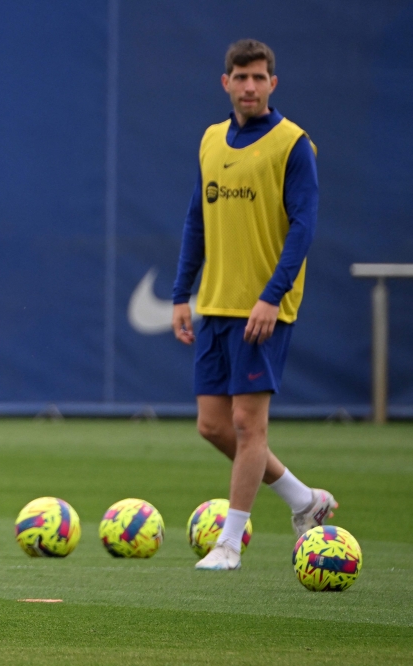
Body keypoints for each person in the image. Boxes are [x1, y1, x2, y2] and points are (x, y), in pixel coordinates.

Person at [171, 40, 336, 571]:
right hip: (216, 303)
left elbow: (304, 228)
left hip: (264, 309)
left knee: (247, 424)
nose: (249, 86)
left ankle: (229, 544)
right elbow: (196, 220)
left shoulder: (293, 145)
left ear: (273, 84)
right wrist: (180, 293)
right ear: (225, 83)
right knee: (212, 426)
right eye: (240, 77)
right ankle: (303, 500)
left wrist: (271, 296)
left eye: (258, 77)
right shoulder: (210, 140)